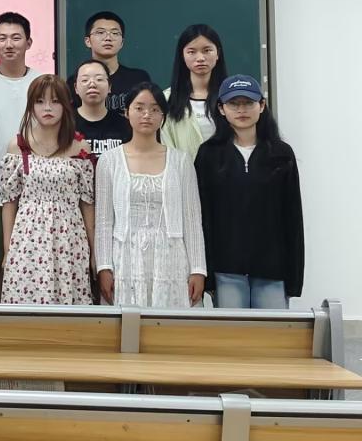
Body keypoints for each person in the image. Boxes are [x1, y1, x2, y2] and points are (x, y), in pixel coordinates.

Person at [195, 75, 304, 309]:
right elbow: (203, 217)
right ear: (221, 109)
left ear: (262, 106)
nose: (241, 110)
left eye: (248, 103)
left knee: (272, 332)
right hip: (226, 270)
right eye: (234, 104)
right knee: (235, 332)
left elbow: (293, 217)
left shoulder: (281, 153)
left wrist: (294, 278)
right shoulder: (208, 154)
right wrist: (208, 275)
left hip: (272, 270)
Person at [95, 83, 207, 308]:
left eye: (155, 109)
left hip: (171, 259)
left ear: (163, 116)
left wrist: (198, 269)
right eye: (139, 108)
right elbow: (104, 221)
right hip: (125, 259)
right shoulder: (109, 160)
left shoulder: (181, 161)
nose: (147, 115)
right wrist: (104, 267)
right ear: (126, 112)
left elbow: (192, 219)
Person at [0, 75, 95, 305]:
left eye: (55, 101)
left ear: (66, 105)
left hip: (70, 238)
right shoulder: (18, 146)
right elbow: (9, 202)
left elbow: (87, 203)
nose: (47, 108)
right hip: (27, 237)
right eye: (40, 101)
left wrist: (94, 251)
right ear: (31, 105)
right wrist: (8, 249)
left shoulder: (80, 146)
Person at [0, 12, 42, 303]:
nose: (9, 44)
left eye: (16, 37)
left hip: (38, 195)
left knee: (37, 266)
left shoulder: (45, 83)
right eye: (2, 38)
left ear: (29, 42)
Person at [161, 24, 228, 157]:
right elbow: (166, 146)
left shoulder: (231, 97)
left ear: (218, 54)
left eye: (207, 50)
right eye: (192, 52)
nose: (200, 58)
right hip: (183, 169)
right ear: (182, 55)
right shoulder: (166, 99)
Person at [68, 11, 150, 112]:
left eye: (115, 33)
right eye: (100, 32)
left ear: (122, 42)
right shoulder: (77, 81)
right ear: (88, 41)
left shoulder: (138, 79)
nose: (108, 38)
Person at [73, 59, 130, 156]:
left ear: (109, 87)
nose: (92, 84)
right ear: (76, 88)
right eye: (85, 80)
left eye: (99, 79)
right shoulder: (65, 124)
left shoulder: (125, 125)